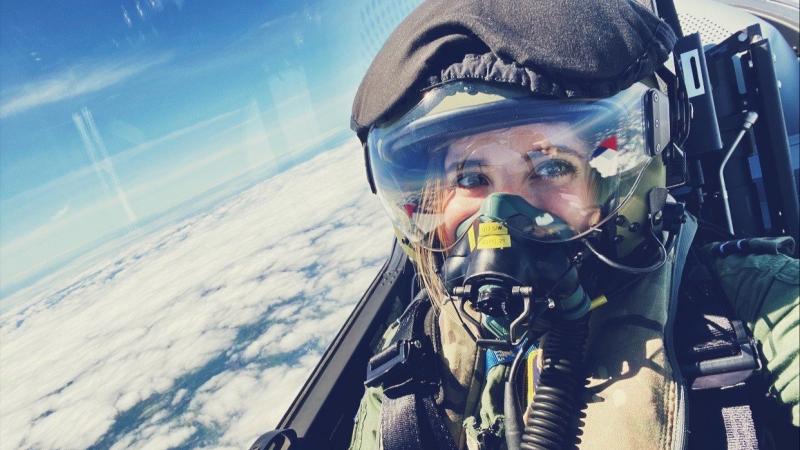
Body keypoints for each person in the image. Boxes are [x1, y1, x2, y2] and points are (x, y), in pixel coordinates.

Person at [346, 1, 799, 449]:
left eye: (550, 168)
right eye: (471, 178)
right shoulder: (413, 366)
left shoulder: (759, 307)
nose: (500, 216)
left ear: (611, 183)